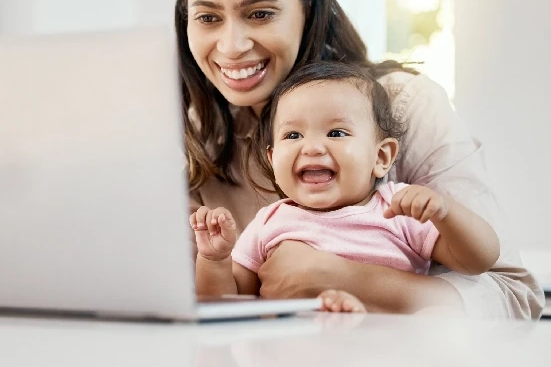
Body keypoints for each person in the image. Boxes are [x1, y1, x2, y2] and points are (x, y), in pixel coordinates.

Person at [173, 0, 544, 318]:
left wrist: (344, 277)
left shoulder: (404, 105)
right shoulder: (198, 138)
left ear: (307, 8)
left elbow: (515, 297)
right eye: (207, 18)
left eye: (259, 13)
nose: (232, 46)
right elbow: (191, 303)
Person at [190, 62, 500, 313]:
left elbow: (479, 260)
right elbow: (226, 304)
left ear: (381, 157)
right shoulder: (270, 222)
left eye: (336, 132)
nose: (311, 147)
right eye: (293, 136)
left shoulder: (396, 208)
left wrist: (446, 213)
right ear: (272, 159)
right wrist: (214, 260)